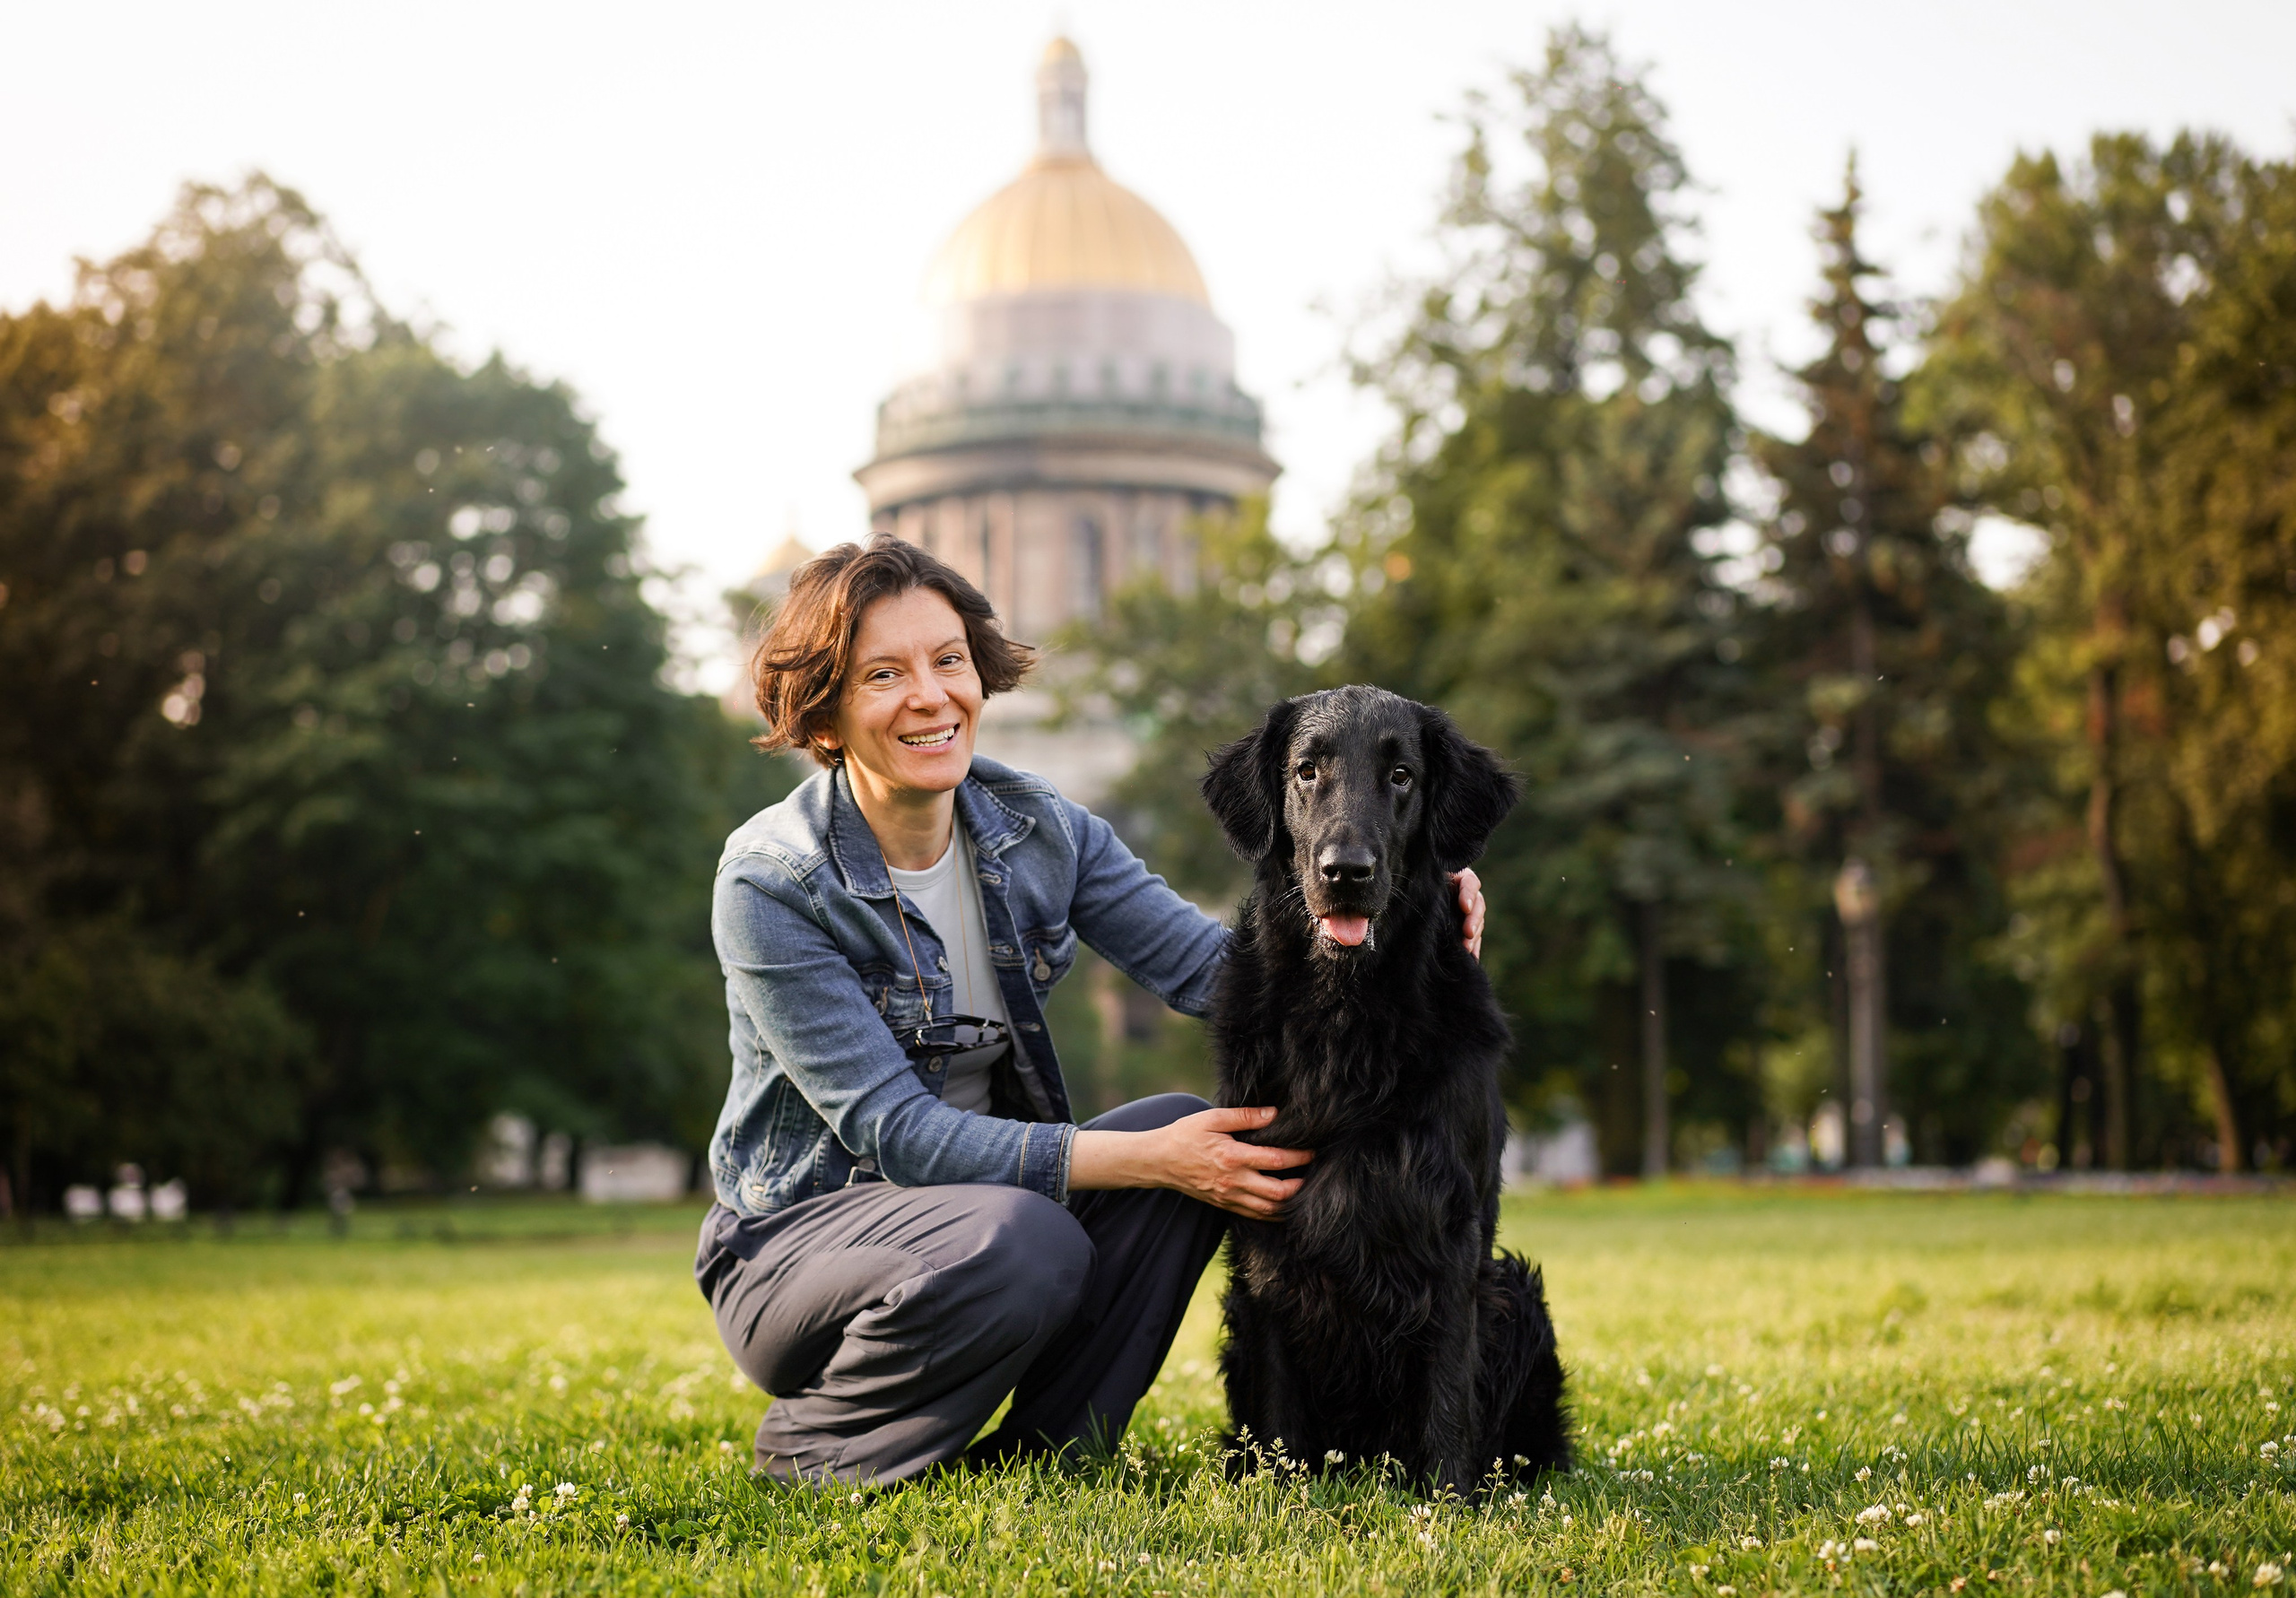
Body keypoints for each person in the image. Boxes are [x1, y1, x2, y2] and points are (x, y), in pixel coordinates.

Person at [694, 534, 1486, 1486]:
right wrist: (1152, 1162)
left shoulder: (1039, 830)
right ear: (824, 711)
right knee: (1101, 1194)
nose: (931, 695)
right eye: (883, 674)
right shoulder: (774, 881)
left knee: (1203, 1135)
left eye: (949, 661)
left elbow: (1224, 977)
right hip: (798, 1245)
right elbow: (897, 1134)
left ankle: (1046, 1452)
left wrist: (1393, 917)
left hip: (979, 1214)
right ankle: (823, 1447)